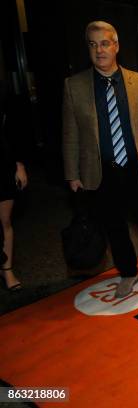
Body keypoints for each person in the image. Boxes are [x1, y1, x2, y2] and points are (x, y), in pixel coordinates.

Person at [63, 21, 138, 298]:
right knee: (114, 226)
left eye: (105, 43)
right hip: (99, 172)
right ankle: (128, 272)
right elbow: (70, 134)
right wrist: (72, 173)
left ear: (116, 46)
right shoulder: (74, 87)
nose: (99, 50)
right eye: (93, 44)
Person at [0, 79, 28, 292]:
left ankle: (7, 269)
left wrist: (19, 164)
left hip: (2, 164)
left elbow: (13, 132)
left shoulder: (3, 94)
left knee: (4, 221)